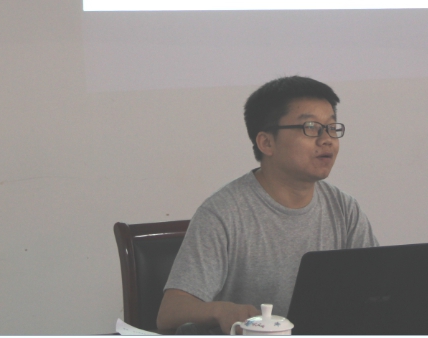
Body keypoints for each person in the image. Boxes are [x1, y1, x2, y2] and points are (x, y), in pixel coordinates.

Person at [156, 76, 378, 334]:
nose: (327, 139)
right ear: (266, 143)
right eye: (311, 127)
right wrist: (220, 310)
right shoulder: (224, 213)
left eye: (331, 127)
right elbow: (169, 313)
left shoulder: (344, 209)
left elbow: (378, 290)